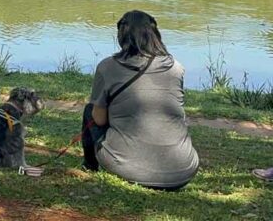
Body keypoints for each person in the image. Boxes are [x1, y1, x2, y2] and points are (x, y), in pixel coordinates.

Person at [81, 10, 198, 190]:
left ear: (122, 35)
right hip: (184, 170)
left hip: (131, 170)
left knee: (91, 110)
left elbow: (99, 119)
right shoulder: (176, 67)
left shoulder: (107, 66)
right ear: (155, 35)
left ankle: (90, 165)